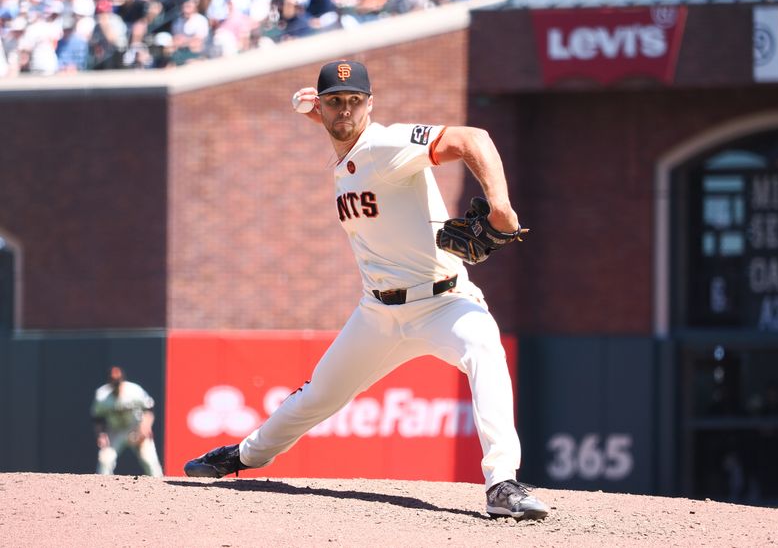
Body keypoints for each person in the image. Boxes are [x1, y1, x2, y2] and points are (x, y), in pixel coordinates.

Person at [184, 60, 549, 521]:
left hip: (444, 302)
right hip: (377, 313)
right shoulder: (348, 146)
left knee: (485, 351)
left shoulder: (384, 144)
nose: (346, 111)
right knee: (318, 395)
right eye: (336, 102)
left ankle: (502, 483)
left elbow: (473, 138)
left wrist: (500, 207)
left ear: (370, 105)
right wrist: (313, 110)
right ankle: (245, 457)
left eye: (356, 101)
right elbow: (338, 127)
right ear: (323, 106)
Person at [91, 366, 164, 477]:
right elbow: (97, 417)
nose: (116, 385)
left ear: (122, 380)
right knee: (105, 460)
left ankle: (160, 490)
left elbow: (149, 408)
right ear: (109, 382)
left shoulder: (134, 391)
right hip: (115, 430)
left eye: (118, 381)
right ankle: (102, 489)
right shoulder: (102, 395)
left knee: (150, 461)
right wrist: (101, 434)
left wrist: (146, 426)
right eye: (113, 381)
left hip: (135, 428)